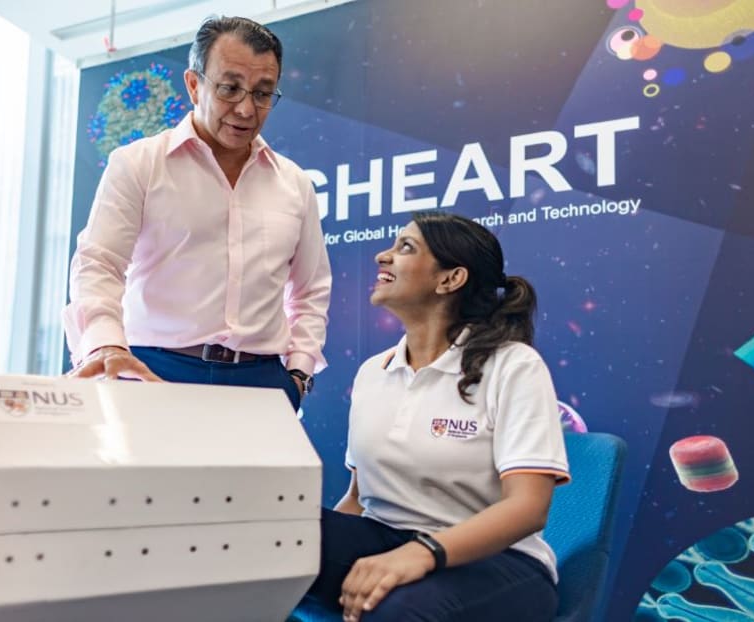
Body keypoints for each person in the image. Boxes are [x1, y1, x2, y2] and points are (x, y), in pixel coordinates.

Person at [302, 212, 570, 621]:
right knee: (266, 539)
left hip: (499, 562)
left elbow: (528, 508)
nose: (382, 256)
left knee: (395, 611)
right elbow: (357, 499)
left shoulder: (514, 365)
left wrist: (422, 552)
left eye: (405, 247)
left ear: (451, 279)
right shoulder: (373, 372)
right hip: (383, 538)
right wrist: (309, 552)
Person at [63, 16, 331, 410]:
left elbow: (311, 290)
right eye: (229, 88)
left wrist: (299, 374)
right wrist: (105, 345)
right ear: (193, 84)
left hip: (262, 381)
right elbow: (98, 264)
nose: (246, 109)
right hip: (153, 369)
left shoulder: (295, 183)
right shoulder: (138, 164)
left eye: (262, 93)